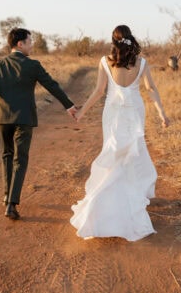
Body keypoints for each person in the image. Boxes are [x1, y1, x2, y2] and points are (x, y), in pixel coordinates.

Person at [0, 28, 78, 219]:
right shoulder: (33, 65)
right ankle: (11, 203)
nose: (32, 45)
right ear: (20, 44)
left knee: (7, 155)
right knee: (21, 159)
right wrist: (69, 106)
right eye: (29, 41)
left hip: (3, 119)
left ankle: (6, 196)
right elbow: (52, 85)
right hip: (24, 119)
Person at [70, 25, 169, 241]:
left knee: (113, 151)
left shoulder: (105, 61)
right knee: (130, 154)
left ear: (113, 41)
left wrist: (81, 113)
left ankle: (108, 203)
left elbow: (98, 91)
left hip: (113, 112)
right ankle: (128, 200)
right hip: (134, 110)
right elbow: (151, 89)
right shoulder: (141, 63)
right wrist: (162, 114)